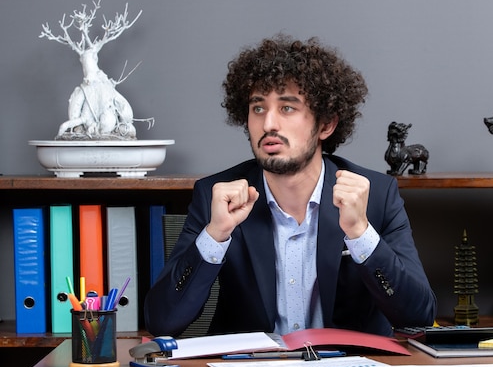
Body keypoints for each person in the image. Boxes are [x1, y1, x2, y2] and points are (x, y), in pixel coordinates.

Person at [144, 34, 436, 338]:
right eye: (258, 108)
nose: (269, 123)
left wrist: (361, 234)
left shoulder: (375, 195)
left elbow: (417, 315)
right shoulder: (215, 196)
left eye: (287, 108)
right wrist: (214, 235)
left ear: (326, 124)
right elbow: (163, 322)